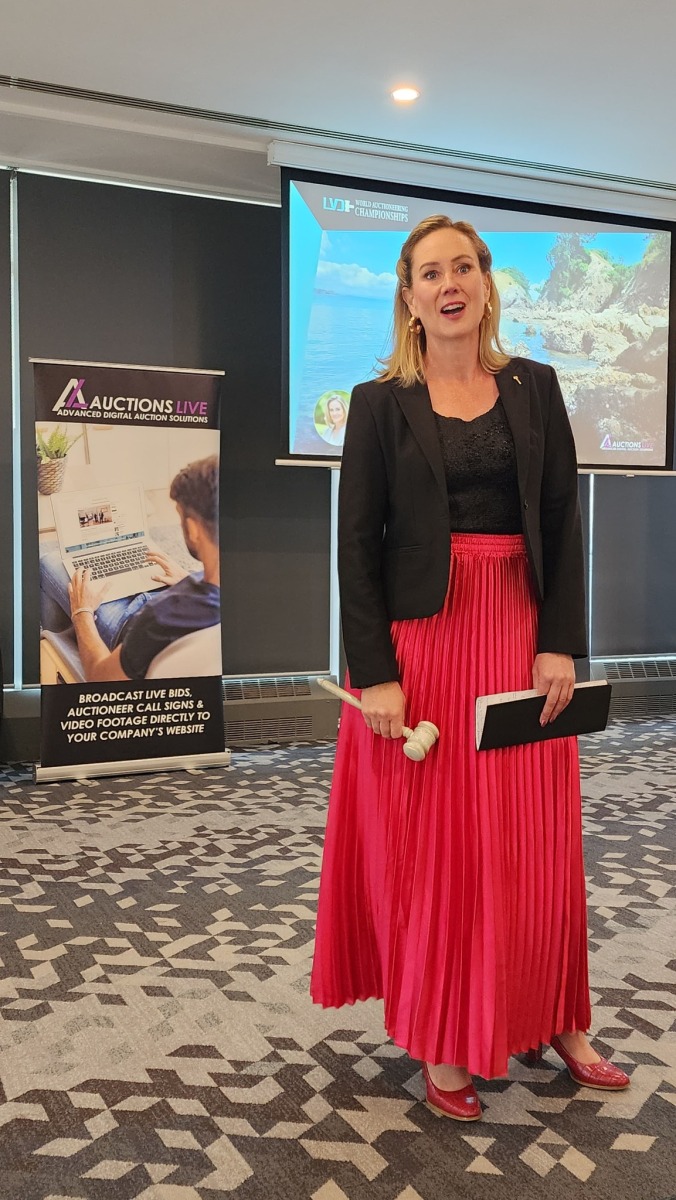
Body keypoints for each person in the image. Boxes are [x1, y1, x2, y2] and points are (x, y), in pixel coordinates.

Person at [310, 215, 630, 1121]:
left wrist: (560, 639)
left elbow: (562, 520)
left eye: (463, 268)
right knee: (447, 849)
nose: (448, 284)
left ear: (486, 284)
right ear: (409, 297)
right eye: (429, 273)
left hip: (522, 635)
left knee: (536, 840)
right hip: (428, 646)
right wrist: (375, 673)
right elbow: (357, 547)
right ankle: (445, 1033)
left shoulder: (536, 386)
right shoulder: (379, 403)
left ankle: (558, 1017)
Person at [66, 455, 220, 682]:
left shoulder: (160, 617)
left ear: (193, 529)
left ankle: (60, 644)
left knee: (52, 566)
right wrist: (189, 579)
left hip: (132, 630)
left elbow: (100, 677)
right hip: (170, 608)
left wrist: (82, 613)